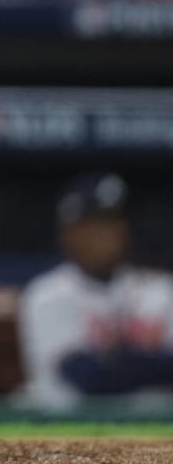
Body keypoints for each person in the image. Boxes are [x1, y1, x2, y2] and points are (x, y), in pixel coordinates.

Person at [19, 173, 173, 410]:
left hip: (157, 434)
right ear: (69, 233)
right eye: (95, 224)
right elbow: (88, 376)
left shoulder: (160, 289)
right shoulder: (47, 295)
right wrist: (148, 362)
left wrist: (120, 361)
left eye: (114, 222)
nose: (107, 235)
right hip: (72, 433)